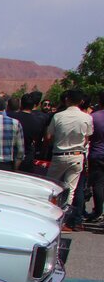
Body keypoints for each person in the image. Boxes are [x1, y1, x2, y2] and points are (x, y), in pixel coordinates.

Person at [45, 89, 94, 228]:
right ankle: (63, 220)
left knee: (52, 187)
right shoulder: (87, 117)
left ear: (67, 100)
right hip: (77, 156)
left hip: (59, 155)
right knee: (70, 190)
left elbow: (48, 137)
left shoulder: (58, 116)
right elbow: (86, 138)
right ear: (81, 102)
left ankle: (48, 216)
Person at [10, 93, 50, 173]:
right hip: (28, 155)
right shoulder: (38, 121)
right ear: (33, 105)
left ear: (21, 104)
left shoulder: (12, 117)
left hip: (12, 153)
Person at [88, 90, 104, 221]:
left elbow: (88, 137)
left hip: (97, 154)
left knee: (98, 184)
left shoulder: (94, 117)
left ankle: (98, 211)